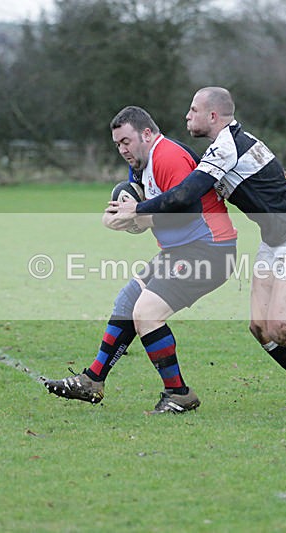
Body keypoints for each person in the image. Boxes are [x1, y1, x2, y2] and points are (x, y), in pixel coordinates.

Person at [113, 87, 286, 410]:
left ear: (212, 115)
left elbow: (187, 193)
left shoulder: (226, 147)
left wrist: (138, 210)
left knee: (281, 329)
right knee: (261, 328)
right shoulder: (222, 147)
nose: (187, 116)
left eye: (193, 110)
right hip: (275, 240)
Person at [43, 105, 237, 414]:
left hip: (210, 250)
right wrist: (122, 219)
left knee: (147, 312)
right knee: (127, 302)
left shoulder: (168, 157)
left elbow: (187, 212)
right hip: (181, 251)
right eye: (117, 144)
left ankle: (178, 394)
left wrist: (136, 218)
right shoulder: (140, 166)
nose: (122, 149)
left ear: (146, 134)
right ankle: (92, 380)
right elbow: (146, 213)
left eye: (126, 141)